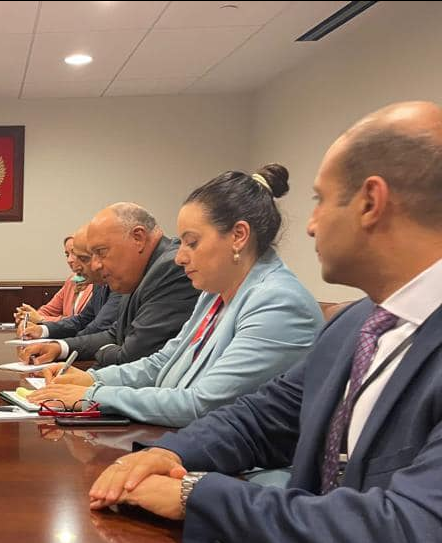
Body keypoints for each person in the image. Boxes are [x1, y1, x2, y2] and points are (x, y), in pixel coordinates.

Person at [86, 101, 442, 543]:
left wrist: (196, 495)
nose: (310, 225)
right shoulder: (359, 323)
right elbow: (262, 417)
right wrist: (167, 453)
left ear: (371, 201)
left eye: (321, 201)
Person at [29, 164, 322, 427]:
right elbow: (163, 362)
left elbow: (201, 404)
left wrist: (93, 395)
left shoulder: (278, 304)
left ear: (238, 236)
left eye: (192, 243)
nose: (180, 257)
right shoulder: (214, 294)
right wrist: (92, 378)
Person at [20, 203, 199, 368]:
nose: (95, 265)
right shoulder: (136, 273)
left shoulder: (170, 269)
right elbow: (115, 334)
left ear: (138, 238)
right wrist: (60, 347)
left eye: (101, 252)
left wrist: (106, 351)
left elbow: (131, 356)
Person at [17, 225, 122, 341]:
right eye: (67, 255)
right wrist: (41, 330)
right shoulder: (80, 282)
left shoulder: (119, 283)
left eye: (82, 257)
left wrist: (61, 344)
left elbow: (97, 327)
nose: (70, 260)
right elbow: (81, 320)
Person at [14, 235, 94, 324]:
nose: (69, 260)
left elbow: (83, 322)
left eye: (74, 253)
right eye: (67, 255)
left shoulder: (99, 284)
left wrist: (41, 319)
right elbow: (48, 310)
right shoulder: (72, 281)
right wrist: (27, 317)